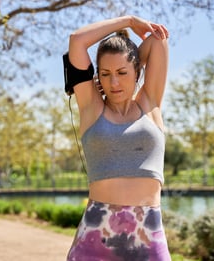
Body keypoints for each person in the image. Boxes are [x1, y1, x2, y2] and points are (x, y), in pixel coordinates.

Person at [65, 15, 171, 261]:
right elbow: (77, 41)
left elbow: (158, 41)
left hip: (149, 239)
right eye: (105, 74)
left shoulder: (150, 104)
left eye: (122, 73)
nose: (114, 82)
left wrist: (133, 58)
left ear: (137, 71)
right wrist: (129, 21)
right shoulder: (92, 108)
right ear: (98, 77)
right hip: (94, 241)